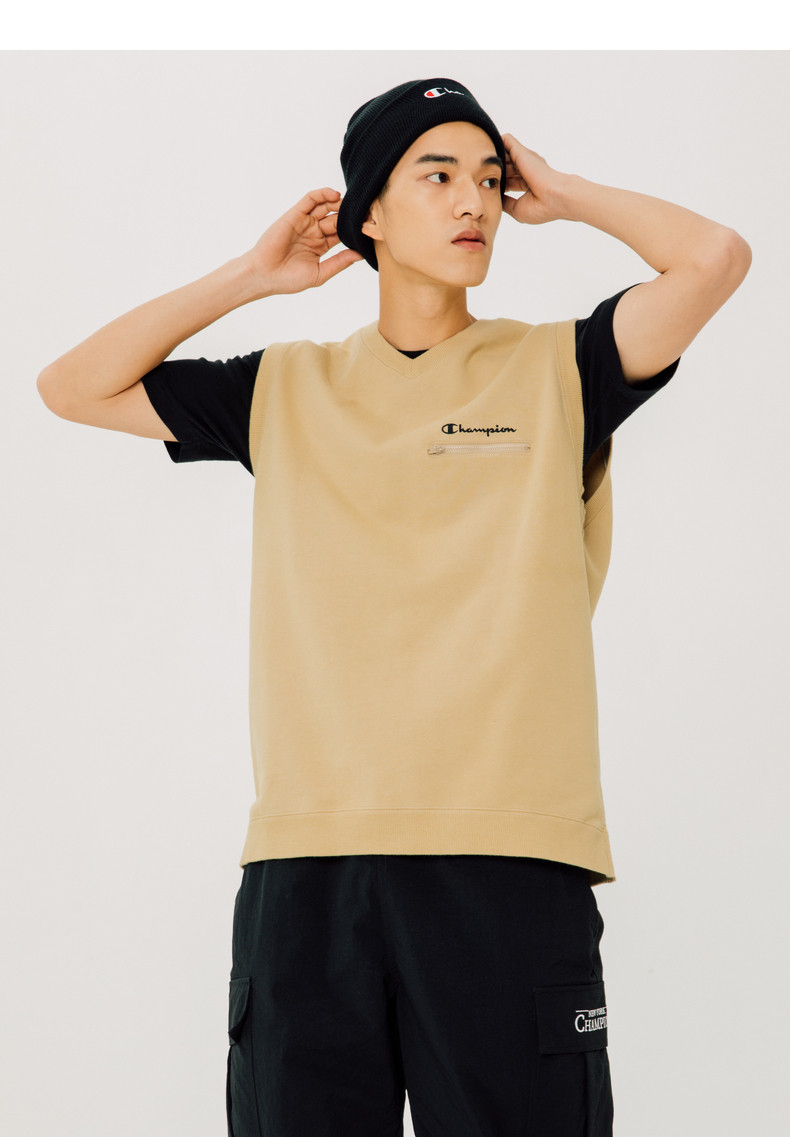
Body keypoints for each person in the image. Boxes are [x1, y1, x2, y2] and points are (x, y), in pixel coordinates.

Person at [37, 77, 751, 1137]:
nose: (473, 201)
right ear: (366, 211)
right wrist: (251, 276)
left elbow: (714, 259)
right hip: (308, 867)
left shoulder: (562, 369)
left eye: (488, 179)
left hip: (509, 860)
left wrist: (564, 192)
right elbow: (72, 386)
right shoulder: (283, 388)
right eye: (437, 175)